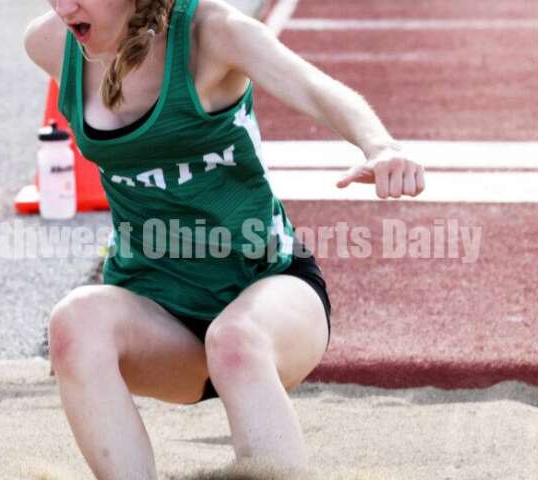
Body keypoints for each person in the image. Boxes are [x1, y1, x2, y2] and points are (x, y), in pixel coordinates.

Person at [24, 0, 425, 477]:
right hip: (161, 318)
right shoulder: (49, 43)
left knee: (234, 340)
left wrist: (381, 147)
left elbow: (314, 87)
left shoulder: (212, 33)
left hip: (267, 288)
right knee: (73, 322)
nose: (65, 7)